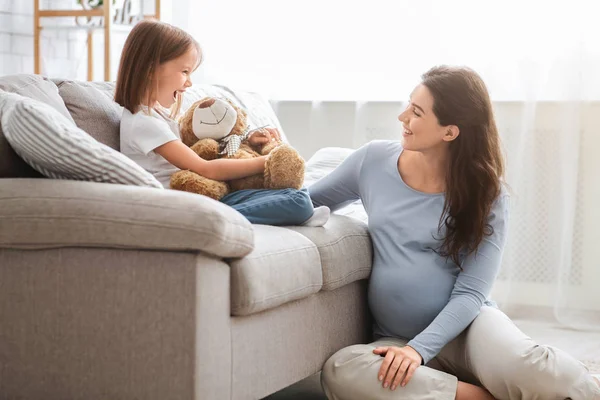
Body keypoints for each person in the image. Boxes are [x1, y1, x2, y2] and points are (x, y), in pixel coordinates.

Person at [310, 65, 600, 399]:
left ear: (450, 132)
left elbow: (471, 294)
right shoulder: (372, 161)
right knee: (341, 371)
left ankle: (585, 386)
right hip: (396, 339)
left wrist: (419, 350)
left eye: (417, 112)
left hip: (471, 331)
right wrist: (261, 165)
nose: (402, 117)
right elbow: (307, 200)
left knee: (538, 373)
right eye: (408, 105)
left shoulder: (487, 194)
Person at [114, 20, 329, 227]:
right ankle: (213, 220)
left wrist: (247, 140)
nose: (189, 82)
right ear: (151, 68)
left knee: (297, 196)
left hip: (202, 196)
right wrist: (267, 161)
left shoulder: (158, 116)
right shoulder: (143, 124)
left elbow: (203, 151)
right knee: (298, 201)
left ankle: (297, 211)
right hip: (183, 205)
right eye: (185, 72)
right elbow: (206, 168)